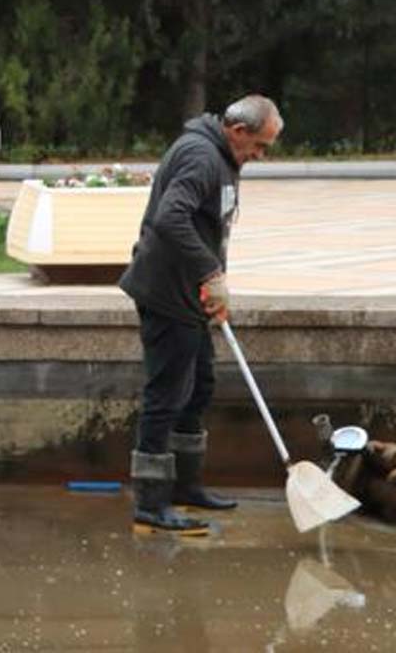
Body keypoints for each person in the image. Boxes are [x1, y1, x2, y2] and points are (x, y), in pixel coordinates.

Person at [119, 94, 282, 536]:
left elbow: (209, 228)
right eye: (260, 146)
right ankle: (151, 503)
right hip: (166, 293)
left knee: (199, 386)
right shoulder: (201, 157)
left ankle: (185, 486)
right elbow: (170, 218)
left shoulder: (224, 157)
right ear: (238, 131)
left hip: (190, 294)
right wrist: (210, 273)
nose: (260, 156)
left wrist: (214, 284)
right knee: (167, 394)